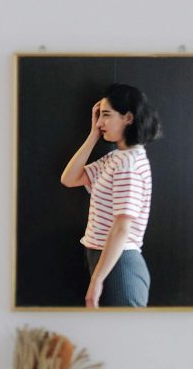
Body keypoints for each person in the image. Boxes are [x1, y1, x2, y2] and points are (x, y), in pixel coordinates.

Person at [60, 83, 162, 307]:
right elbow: (69, 178)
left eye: (106, 115)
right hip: (105, 260)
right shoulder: (116, 158)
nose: (100, 122)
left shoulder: (129, 165)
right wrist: (93, 135)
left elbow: (122, 227)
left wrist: (97, 280)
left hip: (120, 266)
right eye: (99, 116)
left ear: (128, 118)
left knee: (124, 329)